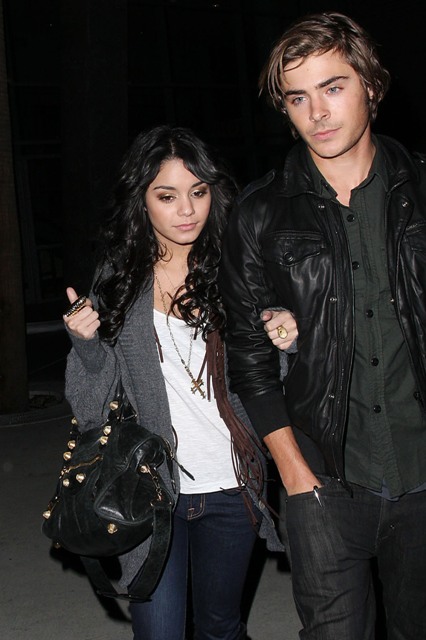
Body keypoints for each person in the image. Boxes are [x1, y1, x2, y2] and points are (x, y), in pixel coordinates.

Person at [219, 12, 426, 640]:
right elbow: (247, 355)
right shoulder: (259, 213)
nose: (317, 112)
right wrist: (292, 471)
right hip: (321, 480)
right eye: (297, 97)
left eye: (333, 87)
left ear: (372, 85)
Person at [63, 125, 295, 640]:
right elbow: (90, 409)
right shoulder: (120, 279)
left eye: (198, 192)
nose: (187, 210)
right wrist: (87, 346)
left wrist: (285, 338)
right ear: (142, 201)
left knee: (220, 628)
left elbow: (274, 383)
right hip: (151, 492)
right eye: (166, 196)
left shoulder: (240, 270)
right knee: (159, 632)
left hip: (232, 486)